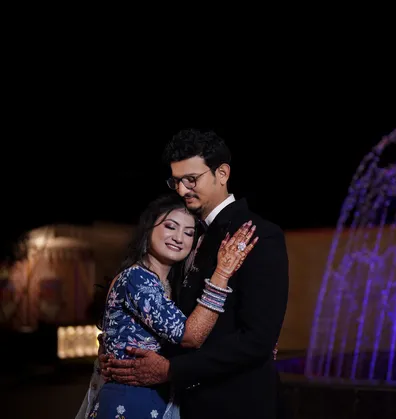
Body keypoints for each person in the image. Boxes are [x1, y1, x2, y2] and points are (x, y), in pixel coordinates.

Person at [103, 129, 290, 419]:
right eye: (175, 181)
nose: (181, 190)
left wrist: (172, 370)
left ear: (222, 173)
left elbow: (257, 340)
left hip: (235, 405)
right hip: (179, 405)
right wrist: (116, 347)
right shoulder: (183, 240)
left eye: (191, 179)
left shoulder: (258, 235)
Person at [82, 193, 257, 418]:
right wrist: (222, 274)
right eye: (170, 226)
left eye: (189, 233)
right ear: (148, 229)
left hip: (153, 401)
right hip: (130, 404)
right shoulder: (137, 279)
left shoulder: (166, 285)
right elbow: (190, 335)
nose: (179, 238)